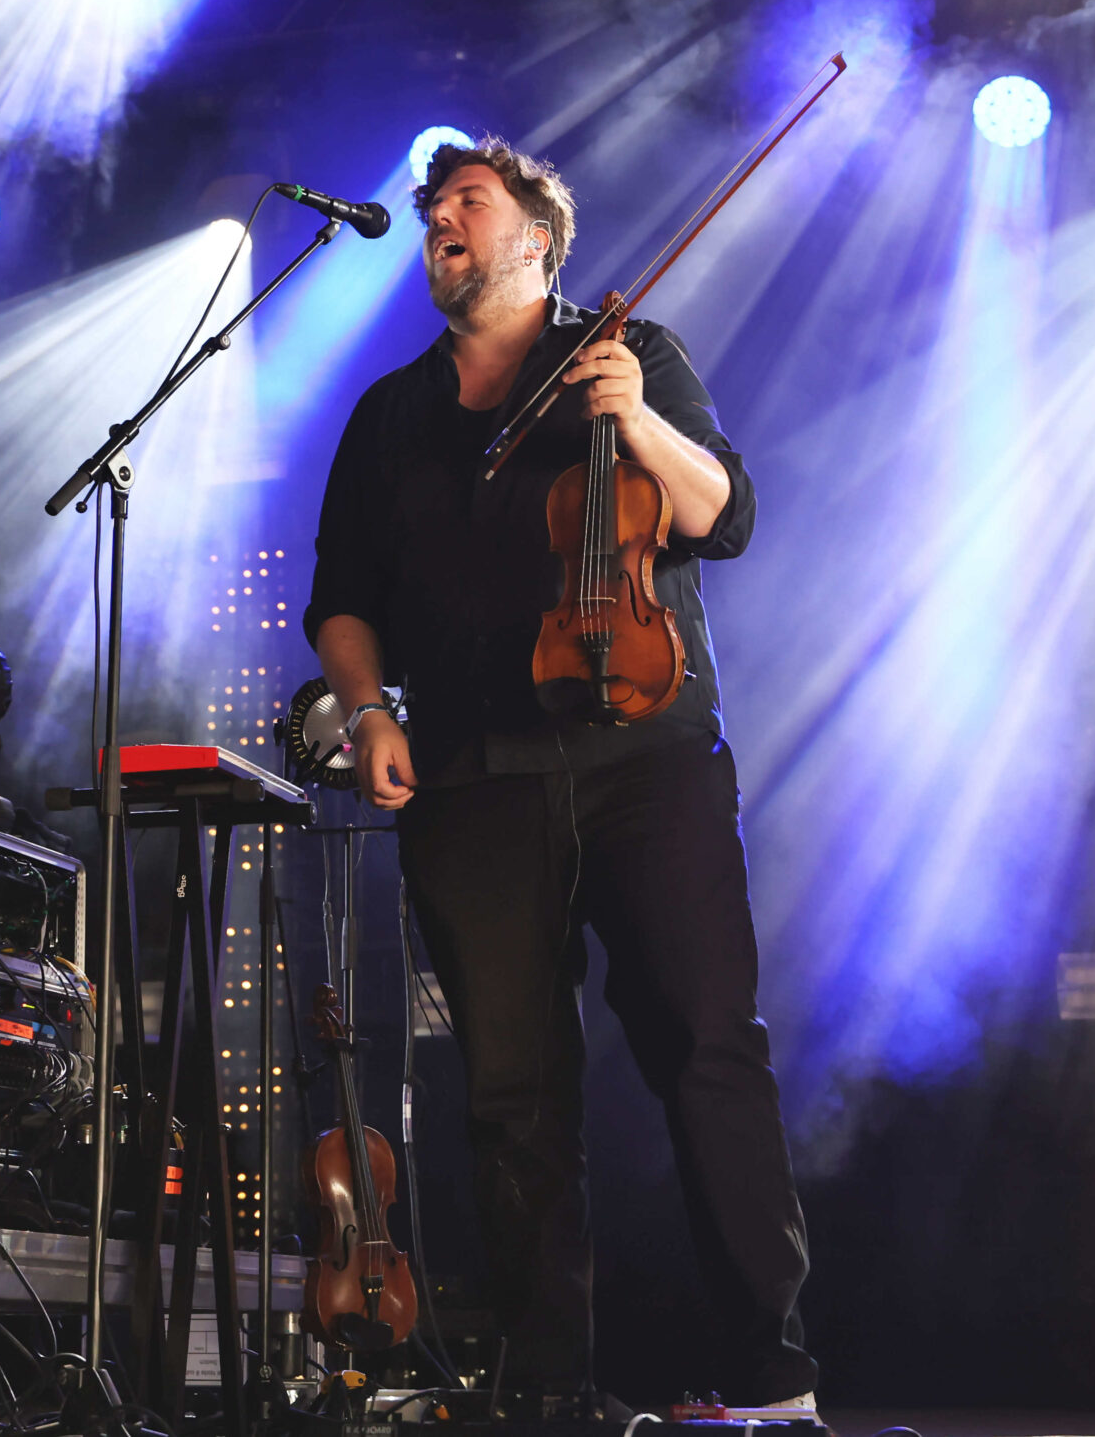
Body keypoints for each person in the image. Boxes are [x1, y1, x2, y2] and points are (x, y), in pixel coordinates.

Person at [303, 139, 818, 1413]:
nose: (438, 218)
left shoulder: (633, 355)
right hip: (473, 776)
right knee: (509, 1094)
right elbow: (342, 599)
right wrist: (369, 711)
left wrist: (631, 415)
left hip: (645, 755)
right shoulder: (388, 414)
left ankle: (772, 1379)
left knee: (707, 1050)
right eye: (430, 206)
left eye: (466, 201)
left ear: (538, 235)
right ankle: (546, 1396)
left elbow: (725, 516)